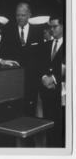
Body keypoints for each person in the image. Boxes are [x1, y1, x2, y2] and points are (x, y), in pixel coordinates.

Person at [0, 2, 44, 116]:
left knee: (30, 111)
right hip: (14, 78)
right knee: (15, 110)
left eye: (23, 15)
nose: (20, 18)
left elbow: (41, 56)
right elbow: (3, 54)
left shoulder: (38, 32)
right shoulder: (8, 31)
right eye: (17, 15)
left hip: (32, 79)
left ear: (29, 15)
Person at [39, 15, 65, 147]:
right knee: (49, 127)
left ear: (63, 26)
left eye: (55, 27)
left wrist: (54, 79)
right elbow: (40, 65)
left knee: (61, 129)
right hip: (47, 94)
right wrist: (44, 78)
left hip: (62, 94)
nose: (51, 30)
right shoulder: (46, 45)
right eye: (50, 27)